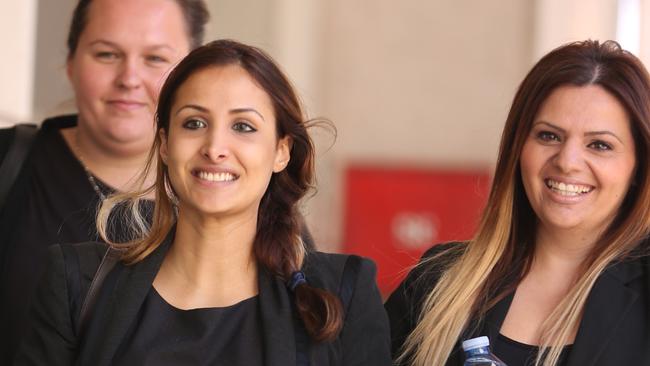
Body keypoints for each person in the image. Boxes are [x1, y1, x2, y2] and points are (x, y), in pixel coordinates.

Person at [15, 39, 391, 365]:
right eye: (194, 123)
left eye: (243, 127)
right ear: (164, 144)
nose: (214, 148)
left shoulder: (344, 291)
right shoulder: (74, 283)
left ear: (281, 152)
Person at [385, 40, 650, 366]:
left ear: (638, 166)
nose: (567, 162)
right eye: (548, 136)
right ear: (518, 147)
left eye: (599, 145)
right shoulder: (438, 280)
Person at [0, 0, 209, 362]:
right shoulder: (8, 162)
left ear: (193, 75)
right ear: (71, 62)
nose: (129, 78)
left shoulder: (237, 198)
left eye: (155, 59)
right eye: (107, 54)